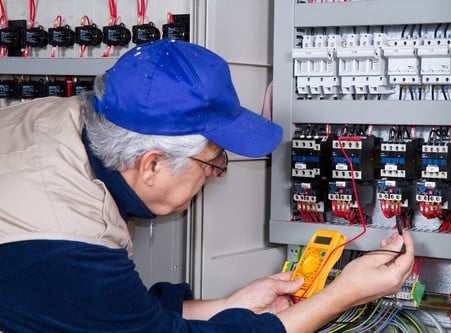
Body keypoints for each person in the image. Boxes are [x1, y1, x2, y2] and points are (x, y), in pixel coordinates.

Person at [0, 39, 414, 332]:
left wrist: (229, 306)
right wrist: (341, 296)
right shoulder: (65, 240)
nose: (218, 174)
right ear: (152, 165)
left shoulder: (60, 118)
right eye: (214, 161)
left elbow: (115, 313)